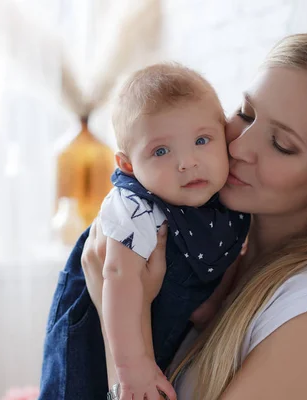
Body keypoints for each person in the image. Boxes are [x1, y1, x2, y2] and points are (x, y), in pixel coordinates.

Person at [42, 30, 307, 400]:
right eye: (245, 113)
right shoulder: (216, 246)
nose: (238, 145)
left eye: (281, 144)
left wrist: (112, 321)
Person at [97, 63, 249, 400]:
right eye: (161, 151)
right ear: (128, 166)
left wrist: (213, 303)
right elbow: (117, 274)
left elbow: (229, 253)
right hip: (104, 336)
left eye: (201, 140)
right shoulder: (135, 206)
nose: (187, 162)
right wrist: (132, 368)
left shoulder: (227, 201)